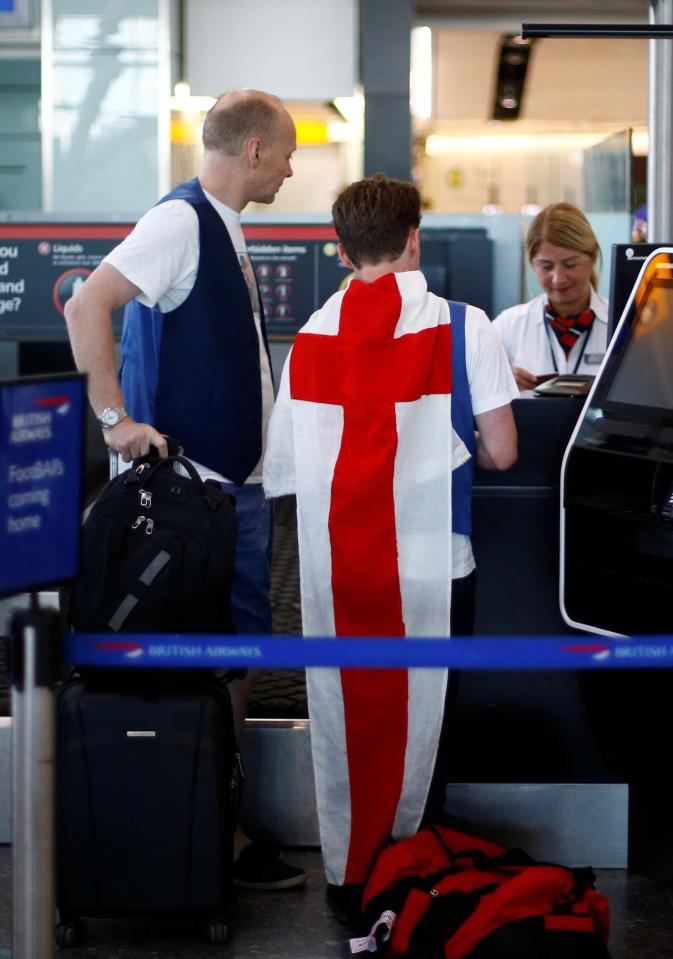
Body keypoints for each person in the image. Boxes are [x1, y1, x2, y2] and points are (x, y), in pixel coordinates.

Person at [64, 88, 306, 891]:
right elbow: (86, 303)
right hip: (188, 496)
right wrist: (113, 418)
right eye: (288, 152)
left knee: (235, 648)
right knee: (205, 654)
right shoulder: (179, 220)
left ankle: (217, 822)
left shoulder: (223, 228)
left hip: (229, 489)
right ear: (253, 152)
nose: (291, 167)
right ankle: (204, 828)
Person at [263, 173, 517, 929]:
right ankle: (414, 883)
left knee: (348, 720)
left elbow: (285, 471)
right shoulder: (466, 326)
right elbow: (501, 452)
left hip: (343, 569)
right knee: (428, 724)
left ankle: (351, 875)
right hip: (436, 564)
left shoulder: (309, 335)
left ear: (339, 250)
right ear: (414, 237)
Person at [492, 203, 608, 392]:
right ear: (532, 264)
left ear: (593, 256)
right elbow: (468, 391)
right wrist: (497, 381)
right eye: (546, 266)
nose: (558, 278)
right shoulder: (509, 325)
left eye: (570, 264)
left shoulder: (622, 325)